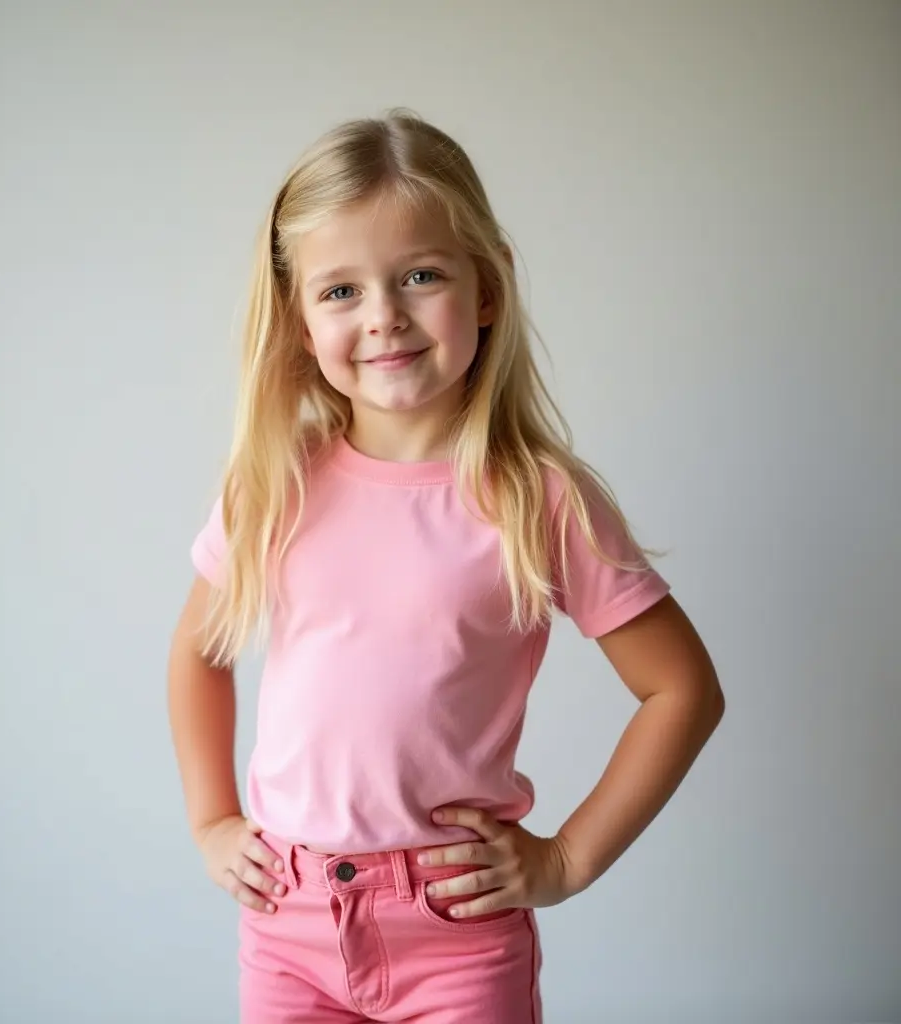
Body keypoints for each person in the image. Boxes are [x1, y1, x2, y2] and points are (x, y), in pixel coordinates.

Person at [167, 110, 724, 1023]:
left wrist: (568, 859)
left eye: (420, 276)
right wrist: (211, 821)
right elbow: (198, 654)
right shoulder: (275, 484)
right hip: (287, 927)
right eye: (339, 290)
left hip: (456, 930)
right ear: (301, 324)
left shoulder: (540, 500)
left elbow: (682, 690)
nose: (383, 315)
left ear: (488, 287)